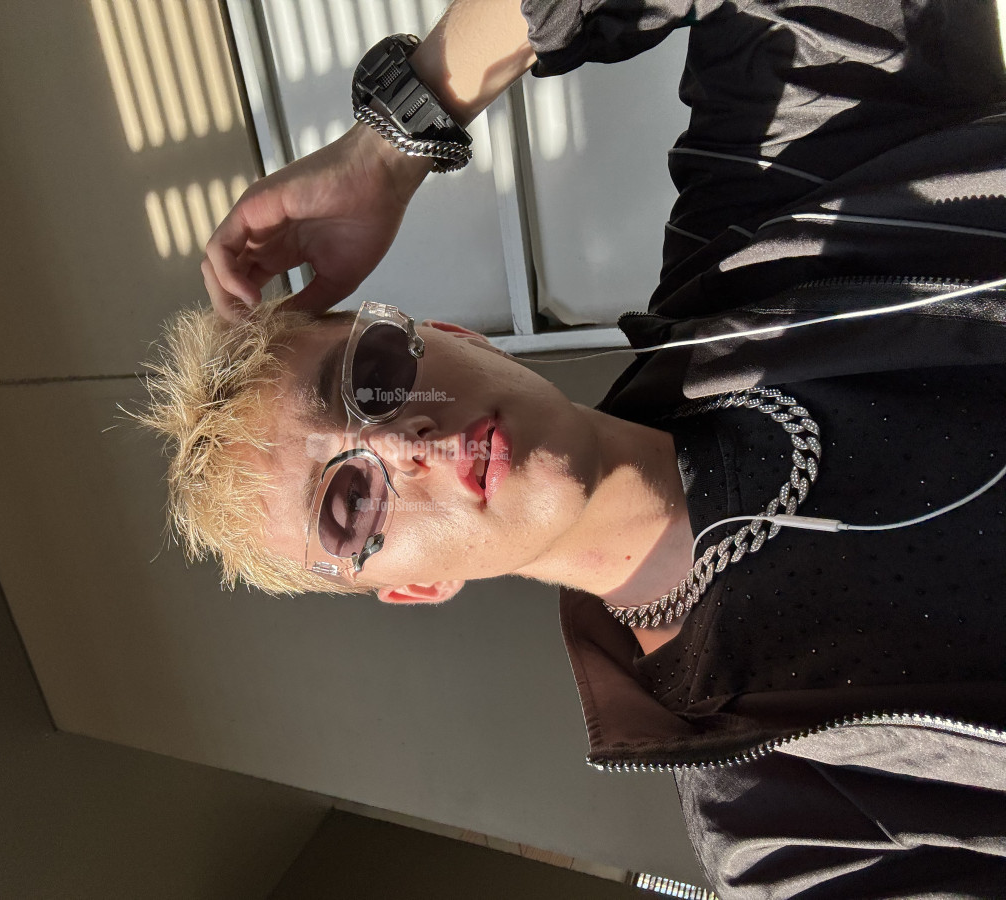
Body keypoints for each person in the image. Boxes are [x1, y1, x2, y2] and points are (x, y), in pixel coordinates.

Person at [145, 0, 1006, 894]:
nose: (401, 444)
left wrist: (390, 142)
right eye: (349, 504)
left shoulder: (768, 217)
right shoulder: (788, 823)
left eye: (373, 375)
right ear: (413, 586)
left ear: (456, 338)